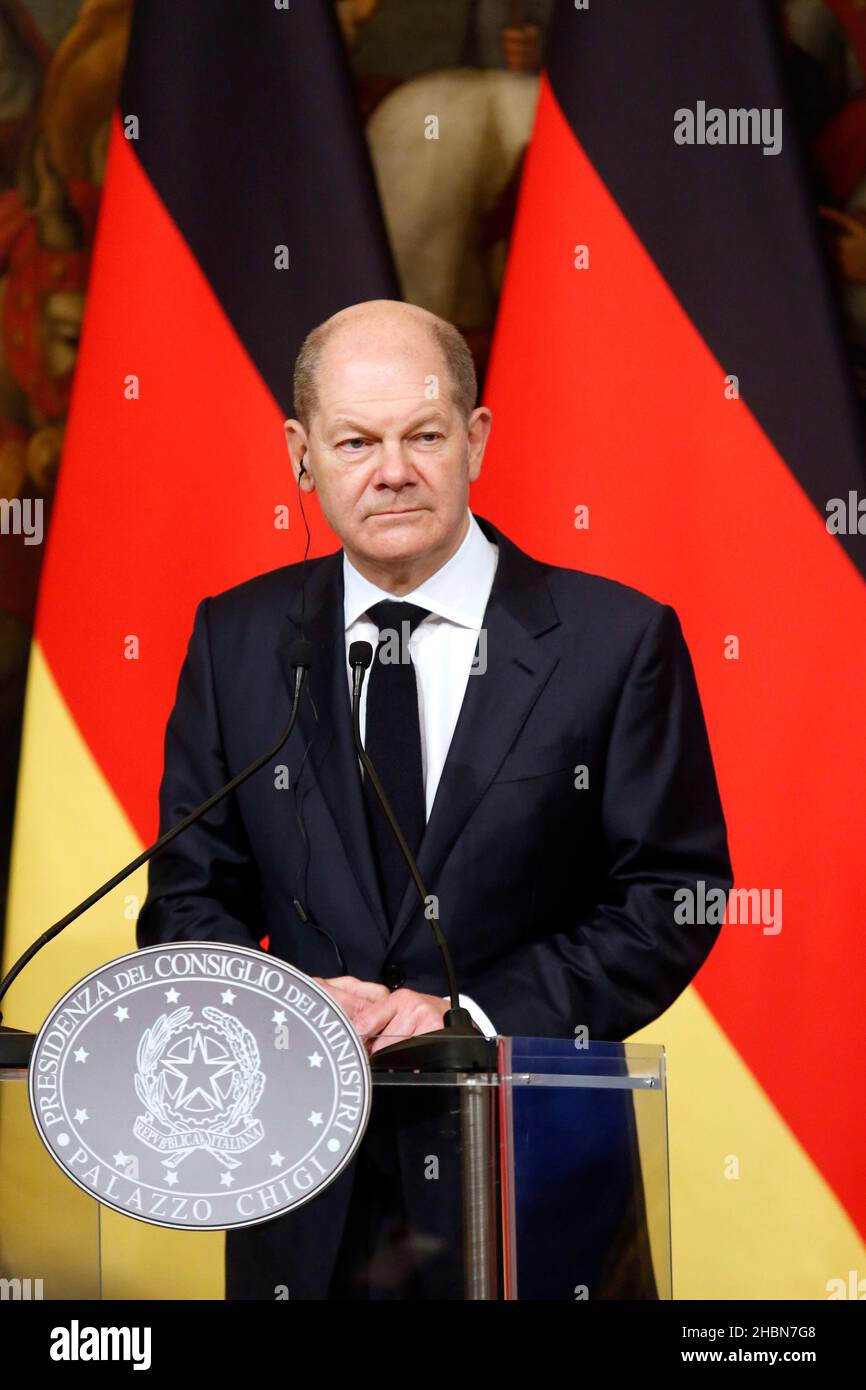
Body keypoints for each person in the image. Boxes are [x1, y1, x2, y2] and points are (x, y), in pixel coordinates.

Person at [137, 298, 733, 1299]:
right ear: (301, 454)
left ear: (475, 436)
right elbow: (187, 898)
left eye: (422, 434)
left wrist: (469, 1014)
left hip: (531, 1186)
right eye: (354, 441)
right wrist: (284, 1007)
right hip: (300, 1189)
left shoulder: (611, 643)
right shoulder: (236, 642)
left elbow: (668, 896)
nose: (392, 471)